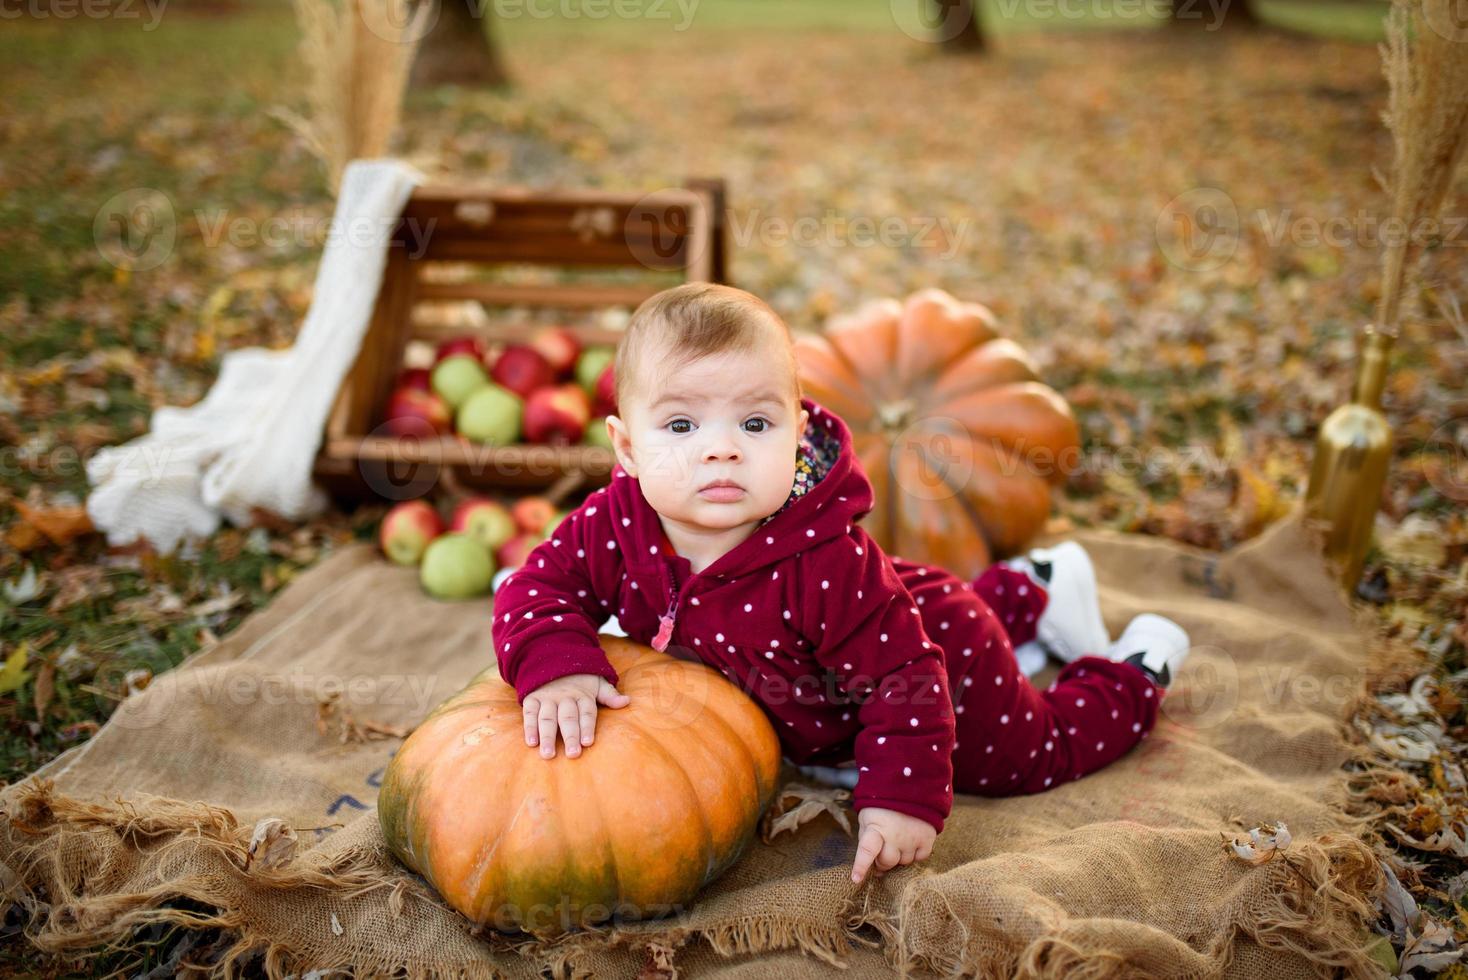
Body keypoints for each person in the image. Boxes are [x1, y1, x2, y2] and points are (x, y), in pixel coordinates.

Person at [490, 283, 1190, 887]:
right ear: (626, 446)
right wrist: (554, 665)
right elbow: (537, 586)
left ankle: (1138, 668)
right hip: (885, 626)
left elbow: (906, 682)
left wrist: (901, 795)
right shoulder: (614, 524)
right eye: (681, 423)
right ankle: (1031, 589)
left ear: (797, 430)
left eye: (755, 422)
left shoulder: (825, 560)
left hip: (938, 647)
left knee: (1026, 757)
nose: (721, 446)